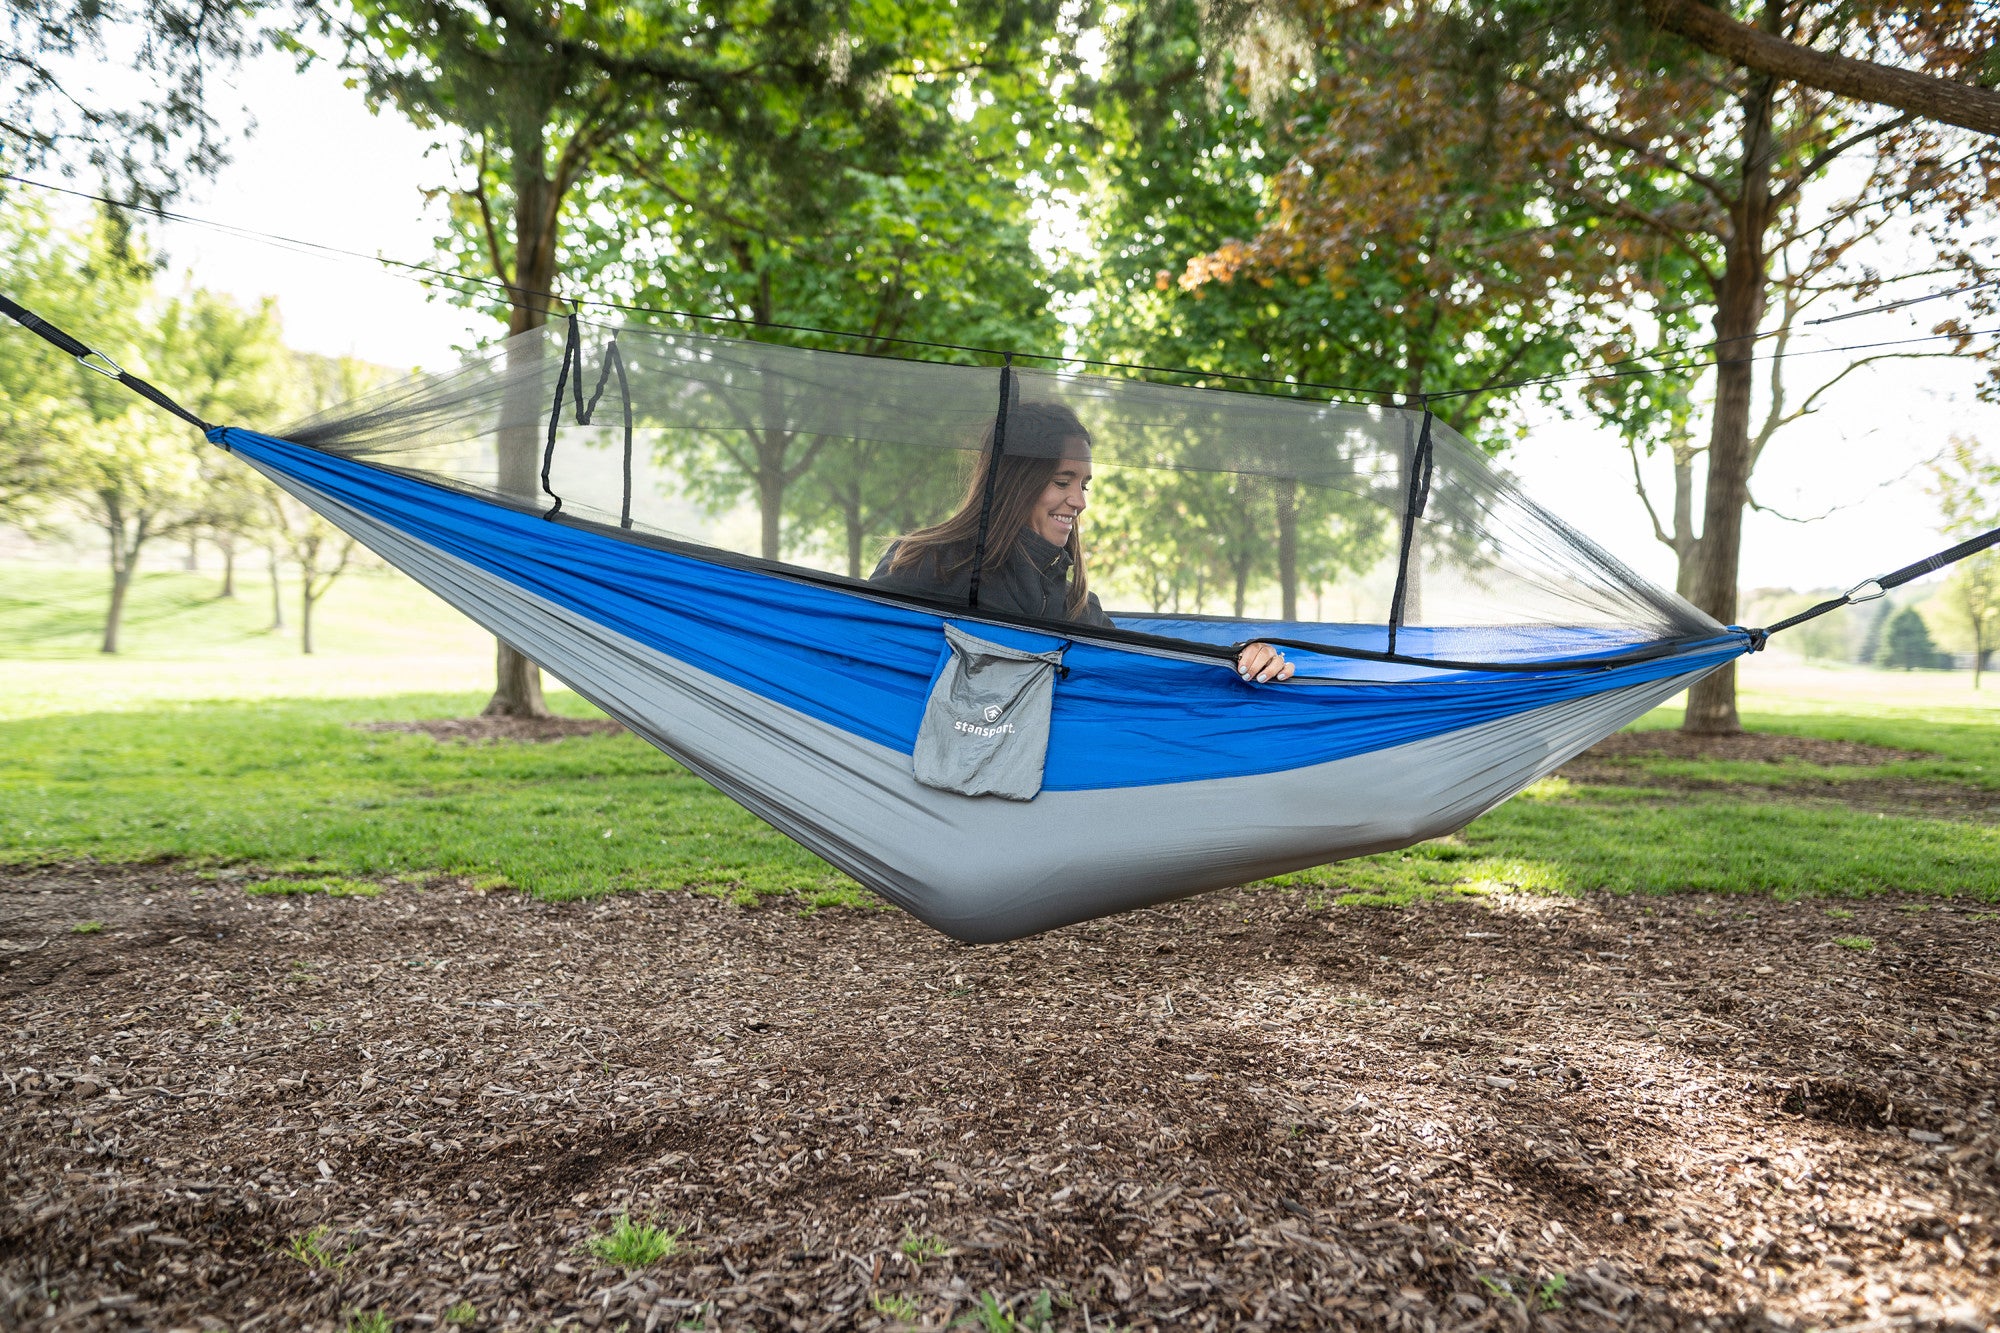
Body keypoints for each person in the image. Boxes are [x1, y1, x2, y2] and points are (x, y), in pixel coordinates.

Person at [870, 401, 1293, 683]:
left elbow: (1144, 661)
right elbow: (857, 651)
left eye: (1084, 485)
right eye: (1062, 481)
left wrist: (1238, 658)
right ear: (1016, 483)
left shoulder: (1070, 599)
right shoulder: (928, 563)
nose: (1079, 502)